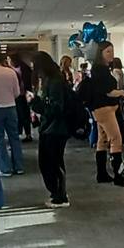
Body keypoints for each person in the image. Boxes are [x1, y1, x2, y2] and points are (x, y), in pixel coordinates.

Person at [77, 41, 124, 185]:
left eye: (112, 51)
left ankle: (102, 174)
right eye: (107, 52)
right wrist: (122, 93)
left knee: (103, 140)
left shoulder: (99, 69)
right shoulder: (101, 70)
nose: (111, 54)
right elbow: (109, 92)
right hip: (105, 109)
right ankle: (118, 175)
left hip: (101, 109)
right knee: (116, 139)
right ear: (101, 53)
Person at [30, 53, 74, 207]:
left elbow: (55, 108)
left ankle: (60, 195)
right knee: (50, 162)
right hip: (51, 127)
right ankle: (58, 192)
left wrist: (36, 104)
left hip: (55, 128)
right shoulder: (51, 79)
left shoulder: (54, 82)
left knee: (52, 162)